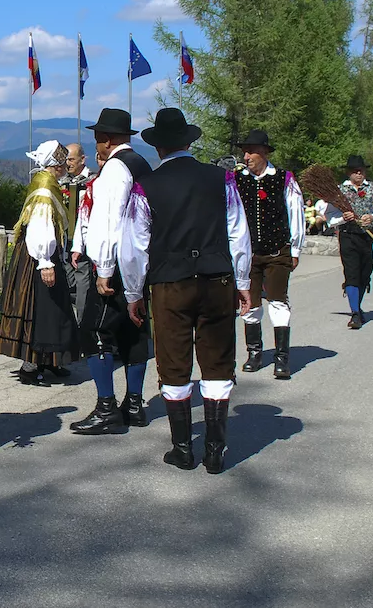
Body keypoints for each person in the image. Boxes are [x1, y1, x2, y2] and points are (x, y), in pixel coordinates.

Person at [120, 108, 252, 473]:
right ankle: (215, 449)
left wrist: (133, 293)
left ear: (158, 147)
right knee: (217, 361)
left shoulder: (146, 186)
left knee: (174, 362)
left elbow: (134, 247)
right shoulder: (222, 179)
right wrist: (243, 282)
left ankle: (182, 449)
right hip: (216, 279)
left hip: (169, 283)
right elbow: (238, 234)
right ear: (189, 143)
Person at [70, 107, 153, 435]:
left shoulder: (115, 169)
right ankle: (133, 404)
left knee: (94, 331)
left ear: (106, 139)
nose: (96, 145)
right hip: (138, 262)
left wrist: (103, 269)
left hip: (116, 263)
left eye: (97, 139)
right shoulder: (141, 164)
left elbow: (109, 222)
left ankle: (106, 408)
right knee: (134, 330)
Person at [0, 140, 80, 386]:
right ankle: (30, 366)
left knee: (53, 309)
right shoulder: (44, 188)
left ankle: (50, 360)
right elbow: (39, 226)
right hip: (38, 256)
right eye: (63, 162)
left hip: (41, 255)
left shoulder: (46, 182)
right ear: (56, 164)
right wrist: (45, 262)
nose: (66, 167)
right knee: (41, 310)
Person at [234, 130, 305, 380]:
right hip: (248, 253)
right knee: (250, 303)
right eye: (245, 152)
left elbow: (296, 213)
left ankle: (282, 358)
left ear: (264, 153)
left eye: (251, 151)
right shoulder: (237, 180)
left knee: (278, 302)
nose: (246, 157)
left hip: (277, 251)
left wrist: (295, 249)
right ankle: (254, 353)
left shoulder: (284, 178)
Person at [324, 155, 373, 329]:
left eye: (361, 170)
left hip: (368, 237)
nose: (359, 173)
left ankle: (357, 307)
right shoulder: (339, 191)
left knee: (364, 273)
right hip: (348, 236)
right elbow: (329, 215)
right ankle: (354, 313)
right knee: (351, 273)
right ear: (348, 173)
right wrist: (342, 218)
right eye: (355, 171)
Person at [62, 143, 93, 322]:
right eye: (66, 159)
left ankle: (82, 324)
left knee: (83, 284)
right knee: (67, 282)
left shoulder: (92, 181)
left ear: (82, 159)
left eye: (72, 159)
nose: (68, 163)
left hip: (84, 241)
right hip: (65, 240)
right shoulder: (63, 181)